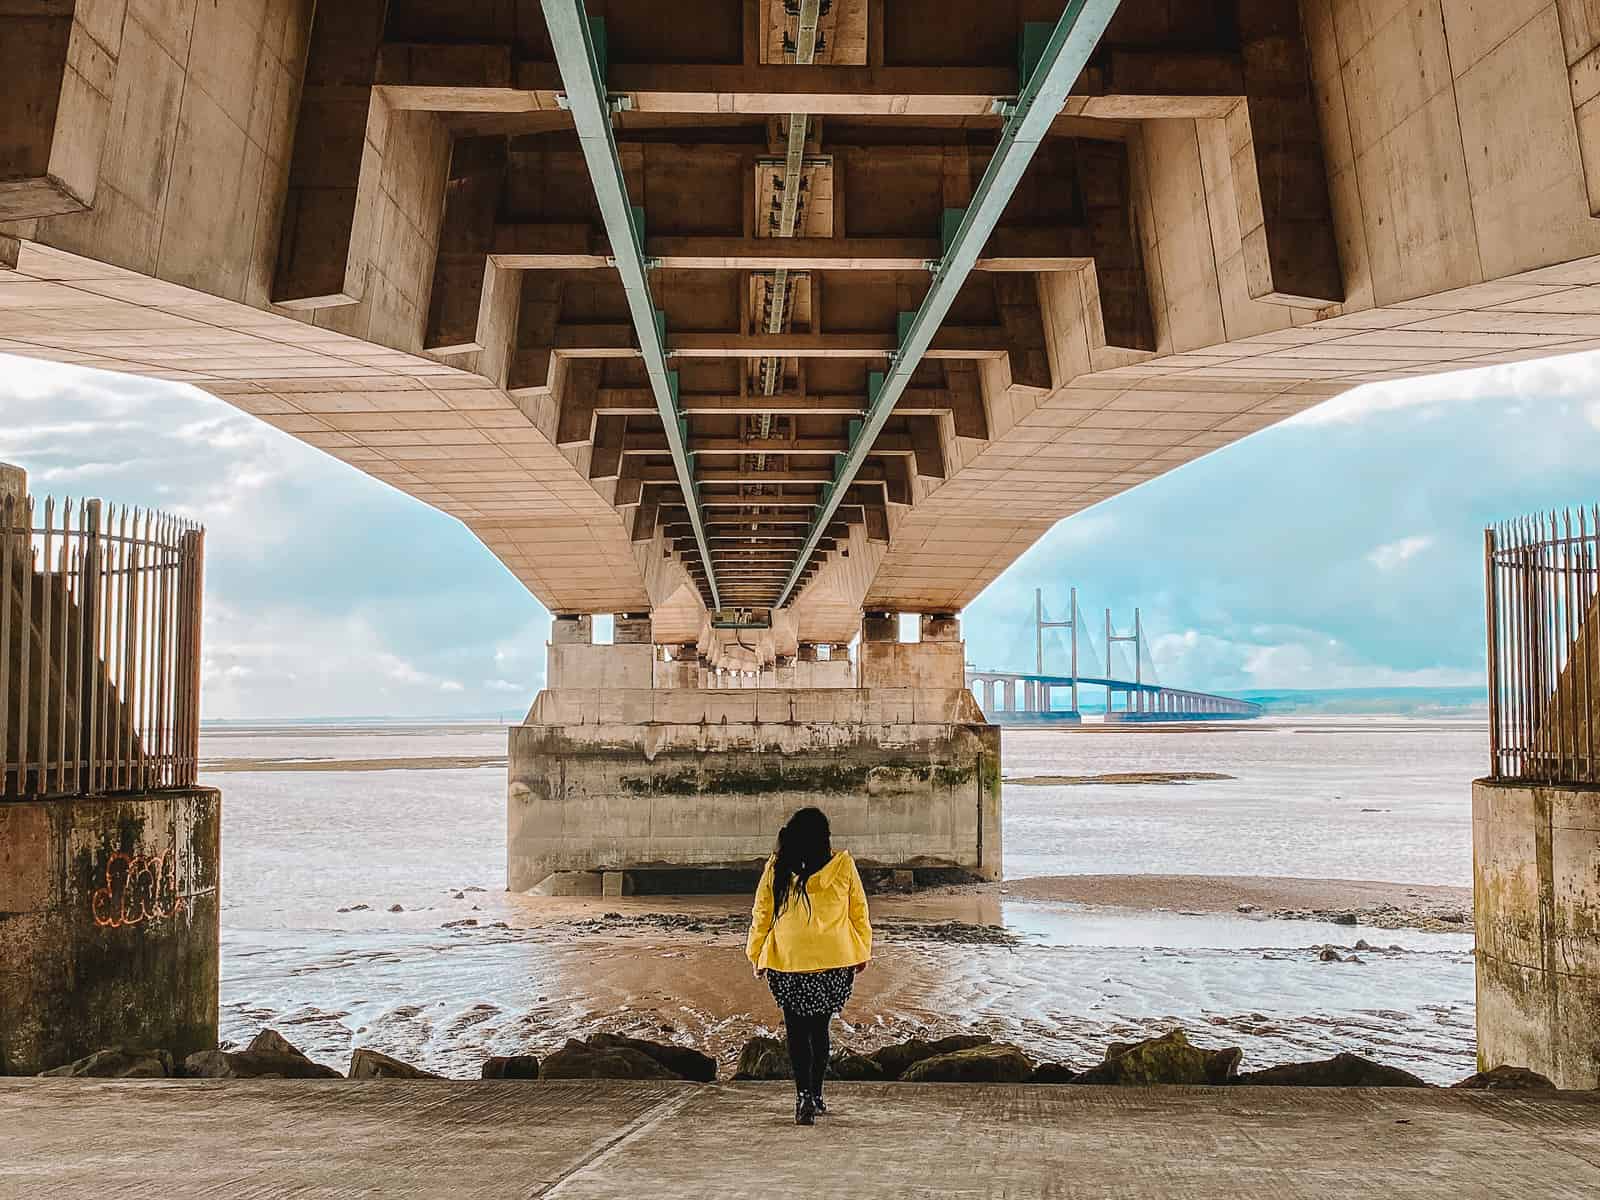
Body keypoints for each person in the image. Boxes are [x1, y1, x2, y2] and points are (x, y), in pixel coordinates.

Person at [745, 806, 873, 1125]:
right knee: (820, 1029)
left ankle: (802, 1095)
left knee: (797, 1032)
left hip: (788, 960)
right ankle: (816, 1095)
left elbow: (762, 913)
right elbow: (859, 911)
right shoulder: (843, 865)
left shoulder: (778, 867)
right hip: (833, 960)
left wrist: (756, 953)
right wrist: (862, 950)